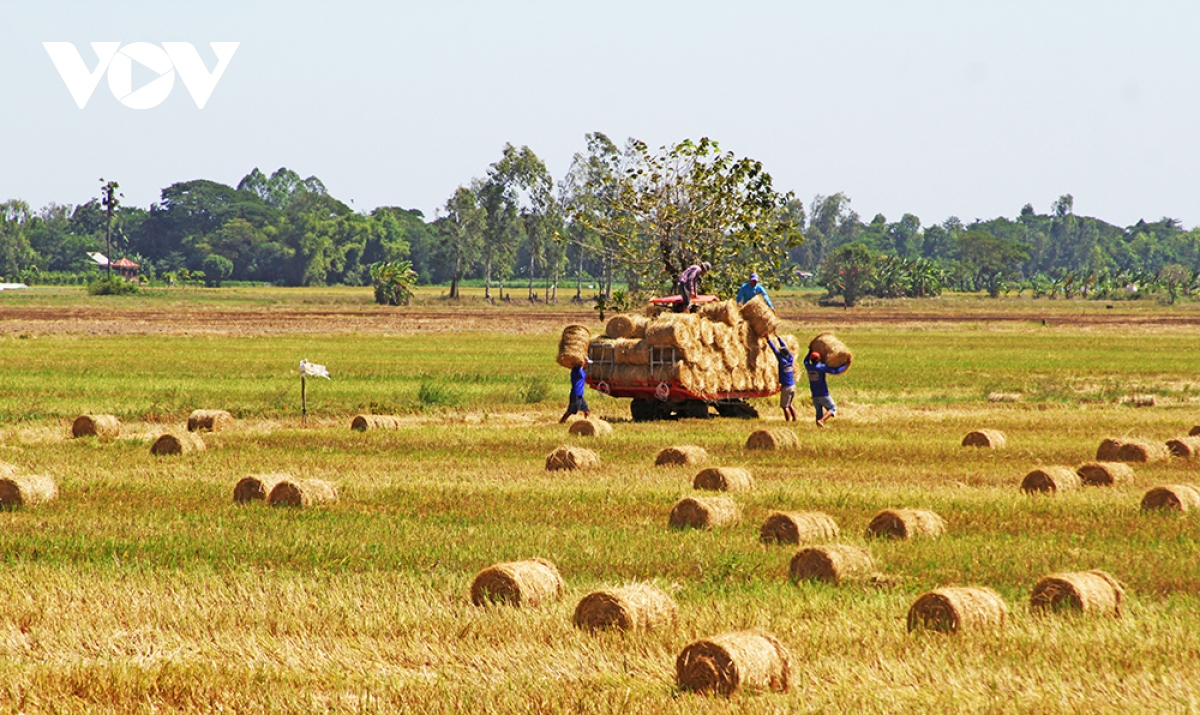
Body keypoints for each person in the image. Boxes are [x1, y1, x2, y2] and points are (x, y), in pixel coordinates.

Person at [803, 350, 849, 427]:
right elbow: (835, 371)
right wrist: (845, 364)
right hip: (823, 393)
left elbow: (805, 361)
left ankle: (819, 427)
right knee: (832, 408)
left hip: (814, 394)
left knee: (819, 412)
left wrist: (810, 351)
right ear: (818, 360)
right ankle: (821, 420)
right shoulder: (821, 367)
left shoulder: (809, 367)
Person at [765, 335, 796, 421]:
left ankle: (788, 421)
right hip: (793, 386)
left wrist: (768, 340)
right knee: (790, 404)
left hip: (786, 387)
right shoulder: (790, 358)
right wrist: (778, 338)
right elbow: (785, 347)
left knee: (784, 406)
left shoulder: (782, 361)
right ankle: (795, 419)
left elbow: (774, 350)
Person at [559, 358, 592, 423]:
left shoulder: (581, 370)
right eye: (586, 363)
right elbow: (578, 363)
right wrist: (580, 361)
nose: (587, 365)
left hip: (580, 395)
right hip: (576, 394)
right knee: (570, 411)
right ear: (583, 363)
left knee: (587, 411)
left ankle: (586, 423)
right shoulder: (576, 370)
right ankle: (562, 421)